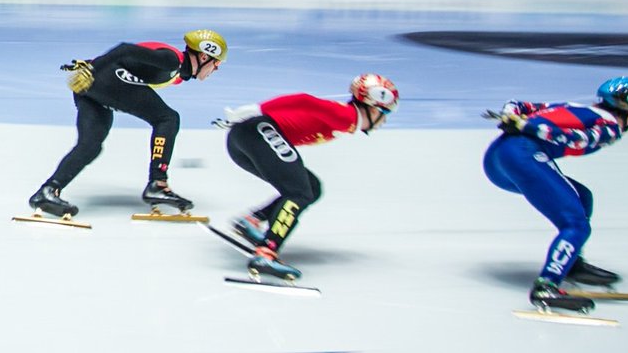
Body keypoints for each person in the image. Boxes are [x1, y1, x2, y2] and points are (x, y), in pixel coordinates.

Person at [482, 76, 628, 313]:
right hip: (522, 157)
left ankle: (571, 262)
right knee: (576, 225)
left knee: (583, 197)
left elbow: (517, 104)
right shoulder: (610, 127)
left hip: (497, 158)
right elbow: (574, 139)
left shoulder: (575, 107)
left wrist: (511, 116)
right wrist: (525, 126)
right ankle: (547, 286)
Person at [27, 29, 228, 218]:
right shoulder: (172, 60)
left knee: (91, 146)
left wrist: (91, 65)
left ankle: (47, 191)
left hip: (90, 86)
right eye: (217, 63)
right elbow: (125, 49)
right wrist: (92, 68)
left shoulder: (176, 75)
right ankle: (158, 183)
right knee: (167, 118)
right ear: (204, 56)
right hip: (100, 78)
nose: (216, 69)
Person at [217, 74, 399, 281]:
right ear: (373, 108)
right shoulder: (347, 116)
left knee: (311, 188)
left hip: (246, 139)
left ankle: (251, 220)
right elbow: (304, 100)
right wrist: (257, 109)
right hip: (254, 132)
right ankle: (266, 253)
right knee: (299, 192)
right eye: (385, 113)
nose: (384, 120)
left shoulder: (347, 122)